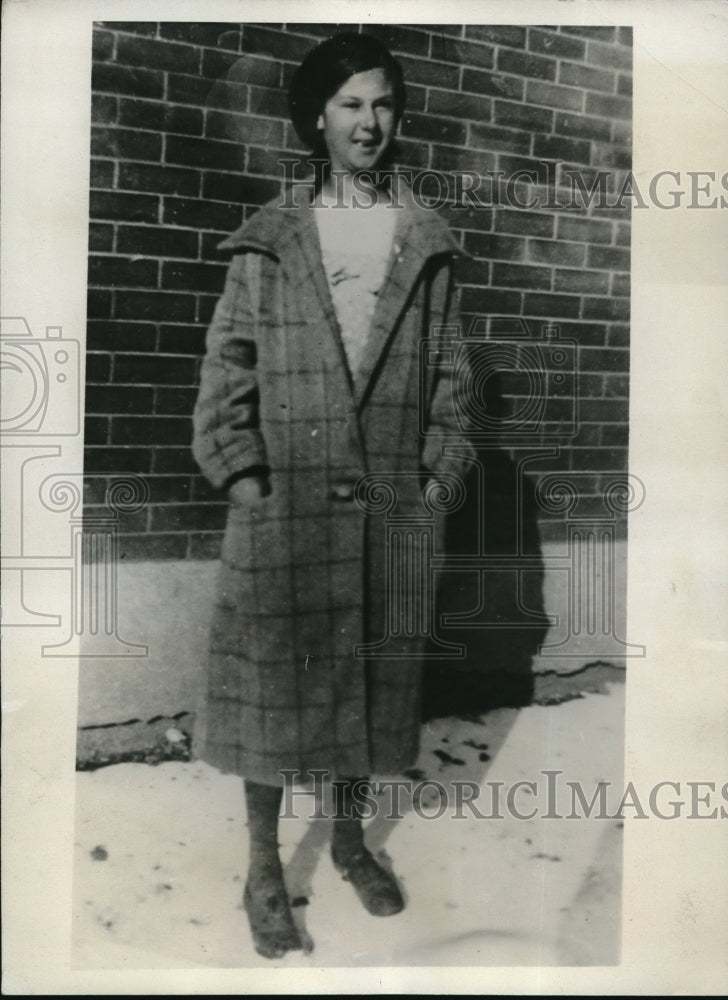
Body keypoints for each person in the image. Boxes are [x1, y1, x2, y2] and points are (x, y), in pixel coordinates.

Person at [192, 31, 476, 959]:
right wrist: (243, 475)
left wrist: (434, 479)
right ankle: (262, 867)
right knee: (273, 692)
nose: (369, 121)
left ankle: (350, 840)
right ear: (318, 117)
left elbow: (452, 381)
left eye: (383, 103)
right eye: (351, 103)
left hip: (390, 505)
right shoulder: (272, 239)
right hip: (286, 505)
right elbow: (228, 365)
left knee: (369, 681)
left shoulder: (424, 242)